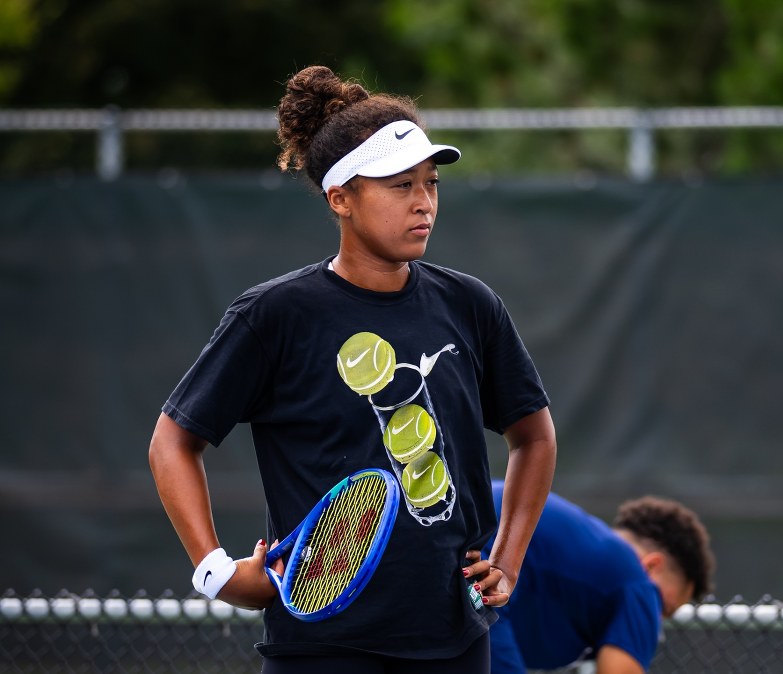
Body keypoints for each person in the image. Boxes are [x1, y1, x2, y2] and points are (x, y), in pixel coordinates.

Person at [148, 65, 556, 673]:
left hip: (457, 640)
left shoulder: (471, 305)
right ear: (340, 198)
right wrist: (216, 572)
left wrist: (510, 557)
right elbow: (172, 442)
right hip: (321, 650)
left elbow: (535, 436)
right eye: (399, 185)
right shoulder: (275, 315)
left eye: (431, 183)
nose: (423, 202)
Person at [474, 480, 714, 674]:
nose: (655, 621)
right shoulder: (638, 582)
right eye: (663, 607)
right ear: (652, 566)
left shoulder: (589, 549)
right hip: (479, 592)